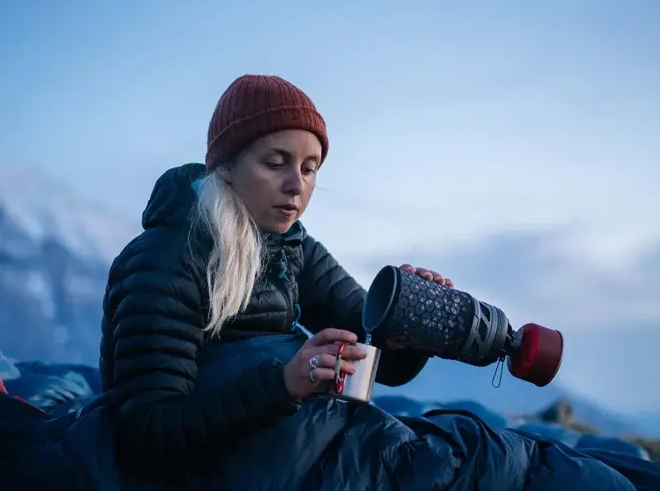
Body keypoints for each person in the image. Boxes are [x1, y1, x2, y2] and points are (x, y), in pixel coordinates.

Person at [99, 73, 453, 465]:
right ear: (226, 166)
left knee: (462, 455)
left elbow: (370, 351)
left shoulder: (294, 247)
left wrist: (408, 324)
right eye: (275, 163)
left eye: (309, 169)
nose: (296, 185)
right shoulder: (164, 259)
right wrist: (283, 384)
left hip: (269, 457)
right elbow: (146, 431)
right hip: (194, 475)